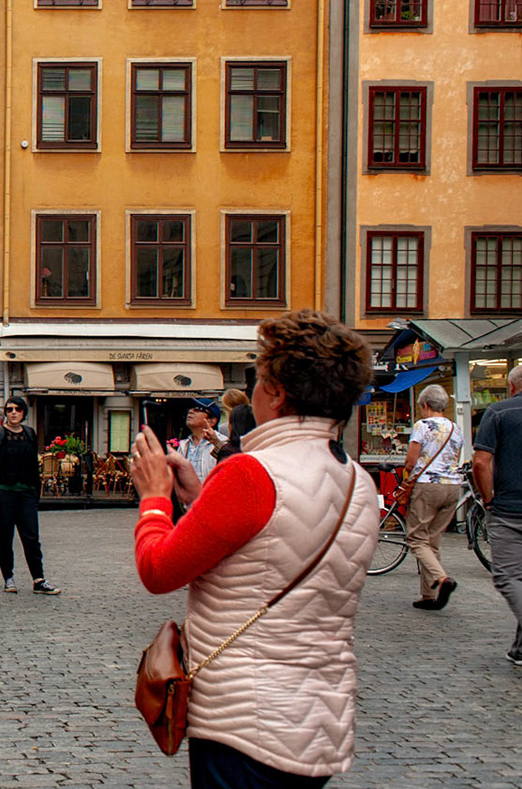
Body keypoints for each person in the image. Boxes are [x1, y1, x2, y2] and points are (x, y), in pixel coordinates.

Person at [131, 308, 378, 787]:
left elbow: (159, 570)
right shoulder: (357, 481)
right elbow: (278, 539)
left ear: (278, 393)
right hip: (317, 714)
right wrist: (201, 501)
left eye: (260, 379)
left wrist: (155, 499)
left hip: (246, 717)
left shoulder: (251, 472)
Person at [472, 363, 522, 680]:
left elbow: (481, 461)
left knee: (507, 577)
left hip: (513, 511)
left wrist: (489, 499)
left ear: (511, 387)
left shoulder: (499, 412)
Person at [402, 384, 465, 611]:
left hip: (428, 485)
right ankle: (428, 595)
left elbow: (411, 460)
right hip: (452, 487)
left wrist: (407, 477)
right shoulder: (455, 429)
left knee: (416, 538)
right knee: (432, 539)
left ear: (425, 405)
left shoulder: (422, 425)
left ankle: (441, 579)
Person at [0, 397, 59, 595]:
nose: (13, 412)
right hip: (4, 494)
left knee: (31, 537)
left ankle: (38, 579)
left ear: (24, 412)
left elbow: (34, 467)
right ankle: (8, 578)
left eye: (18, 409)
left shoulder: (29, 434)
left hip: (26, 493)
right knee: (5, 538)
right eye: (9, 409)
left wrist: (35, 493)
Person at [181, 402, 225, 485]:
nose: (191, 411)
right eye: (190, 409)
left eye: (198, 409)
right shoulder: (183, 445)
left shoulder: (222, 443)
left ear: (212, 421)